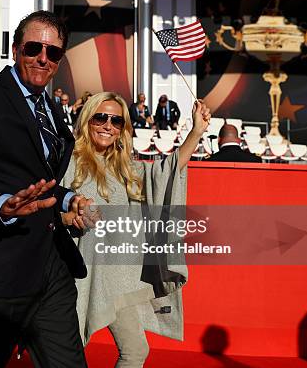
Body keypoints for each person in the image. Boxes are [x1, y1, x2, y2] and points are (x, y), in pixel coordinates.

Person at [0, 10, 91, 368]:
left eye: (53, 52)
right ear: (15, 49)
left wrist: (69, 197)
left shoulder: (52, 109)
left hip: (50, 268)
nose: (43, 58)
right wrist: (0, 204)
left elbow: (40, 175)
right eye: (34, 48)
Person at [61, 91, 210, 368]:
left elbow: (167, 170)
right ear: (87, 120)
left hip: (117, 280)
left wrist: (196, 131)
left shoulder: (126, 169)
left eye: (116, 121)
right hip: (75, 278)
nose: (108, 125)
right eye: (101, 117)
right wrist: (70, 218)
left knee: (135, 351)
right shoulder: (68, 162)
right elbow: (49, 209)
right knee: (65, 356)